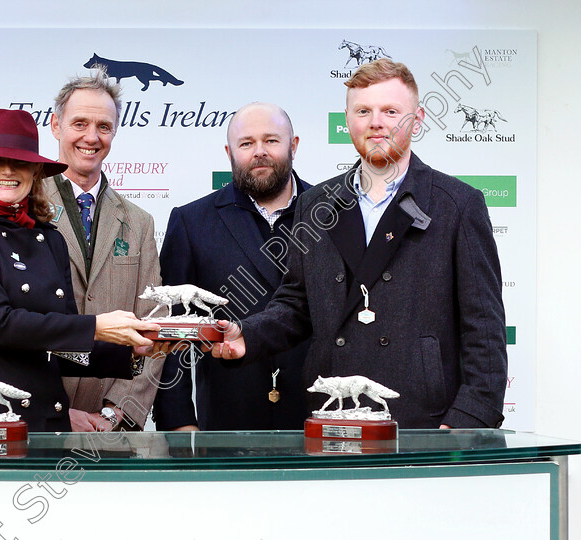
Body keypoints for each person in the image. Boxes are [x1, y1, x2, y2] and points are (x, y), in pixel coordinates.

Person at [211, 59, 507, 429]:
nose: (376, 122)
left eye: (390, 111)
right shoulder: (316, 204)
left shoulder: (458, 205)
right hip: (331, 415)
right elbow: (296, 304)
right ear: (348, 120)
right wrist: (247, 336)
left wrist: (468, 419)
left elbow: (484, 328)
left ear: (417, 119)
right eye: (363, 111)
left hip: (424, 422)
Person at [0, 108, 159, 432]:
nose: (8, 171)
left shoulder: (50, 239)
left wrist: (131, 351)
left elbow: (58, 345)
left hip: (46, 424)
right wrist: (95, 327)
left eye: (20, 162)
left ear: (35, 172)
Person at [153, 102, 312, 431]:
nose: (259, 152)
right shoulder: (192, 221)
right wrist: (179, 422)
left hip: (315, 417)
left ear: (293, 145)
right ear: (229, 152)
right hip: (226, 421)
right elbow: (173, 331)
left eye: (271, 140)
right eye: (246, 143)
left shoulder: (331, 213)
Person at [43, 70, 163, 432]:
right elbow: (5, 328)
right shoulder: (23, 210)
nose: (91, 137)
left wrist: (116, 412)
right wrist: (57, 413)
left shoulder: (139, 223)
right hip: (36, 423)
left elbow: (153, 330)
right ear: (55, 125)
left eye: (104, 126)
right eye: (79, 123)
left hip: (110, 434)